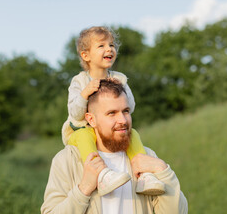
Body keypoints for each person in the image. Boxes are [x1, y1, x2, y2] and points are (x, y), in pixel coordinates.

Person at [41, 78, 188, 214]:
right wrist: (84, 188)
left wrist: (163, 170)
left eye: (125, 111)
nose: (123, 120)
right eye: (112, 113)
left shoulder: (146, 157)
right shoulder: (67, 160)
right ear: (91, 119)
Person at [61, 26, 165, 196]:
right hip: (81, 131)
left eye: (111, 45)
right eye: (101, 46)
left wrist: (121, 87)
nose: (109, 49)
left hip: (110, 132)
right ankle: (102, 175)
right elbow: (75, 113)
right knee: (85, 135)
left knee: (133, 134)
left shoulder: (120, 78)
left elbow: (130, 106)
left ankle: (144, 175)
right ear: (86, 55)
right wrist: (85, 93)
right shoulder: (79, 81)